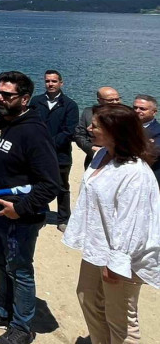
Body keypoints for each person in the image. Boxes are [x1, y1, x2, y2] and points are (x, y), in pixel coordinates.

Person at [0, 71, 61, 344]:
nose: (0, 98)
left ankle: (22, 328)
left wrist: (19, 209)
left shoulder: (34, 132)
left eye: (7, 95)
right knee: (0, 263)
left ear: (24, 99)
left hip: (20, 218)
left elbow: (51, 185)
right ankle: (2, 311)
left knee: (20, 270)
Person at [63, 104, 160, 343]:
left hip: (123, 256)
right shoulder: (100, 155)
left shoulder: (134, 173)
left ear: (115, 132)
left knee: (122, 321)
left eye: (95, 126)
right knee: (87, 299)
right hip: (97, 246)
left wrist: (117, 261)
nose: (88, 128)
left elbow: (132, 221)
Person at [30, 70, 80, 231]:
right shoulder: (36, 101)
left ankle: (63, 219)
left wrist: (48, 145)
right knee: (37, 184)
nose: (50, 84)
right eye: (47, 81)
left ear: (61, 83)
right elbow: (30, 123)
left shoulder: (70, 105)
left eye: (54, 81)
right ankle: (39, 214)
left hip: (61, 154)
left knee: (62, 187)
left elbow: (69, 131)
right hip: (37, 153)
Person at [75, 87, 121, 168]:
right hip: (93, 159)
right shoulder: (88, 113)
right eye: (111, 100)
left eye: (117, 99)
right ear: (99, 100)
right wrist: (91, 148)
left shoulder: (126, 115)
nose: (115, 102)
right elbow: (79, 135)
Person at [133, 94, 160, 187]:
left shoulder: (158, 131)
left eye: (142, 109)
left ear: (154, 112)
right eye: (135, 107)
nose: (137, 111)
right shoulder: (123, 127)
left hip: (149, 178)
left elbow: (152, 153)